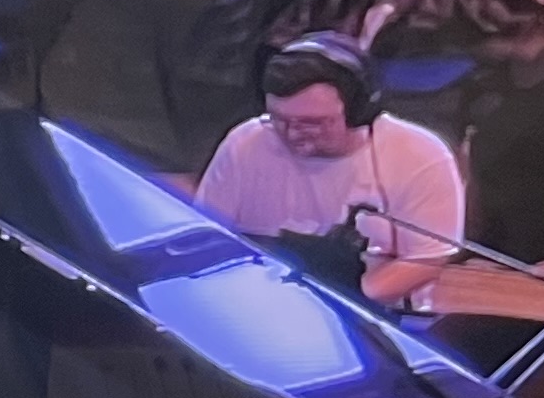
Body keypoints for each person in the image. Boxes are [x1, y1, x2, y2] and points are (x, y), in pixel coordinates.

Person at [189, 35, 465, 308]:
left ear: (358, 111)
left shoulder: (419, 154)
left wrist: (344, 299)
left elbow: (427, 258)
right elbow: (208, 236)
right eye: (280, 119)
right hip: (253, 300)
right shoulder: (245, 142)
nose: (293, 134)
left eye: (312, 123)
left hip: (363, 310)